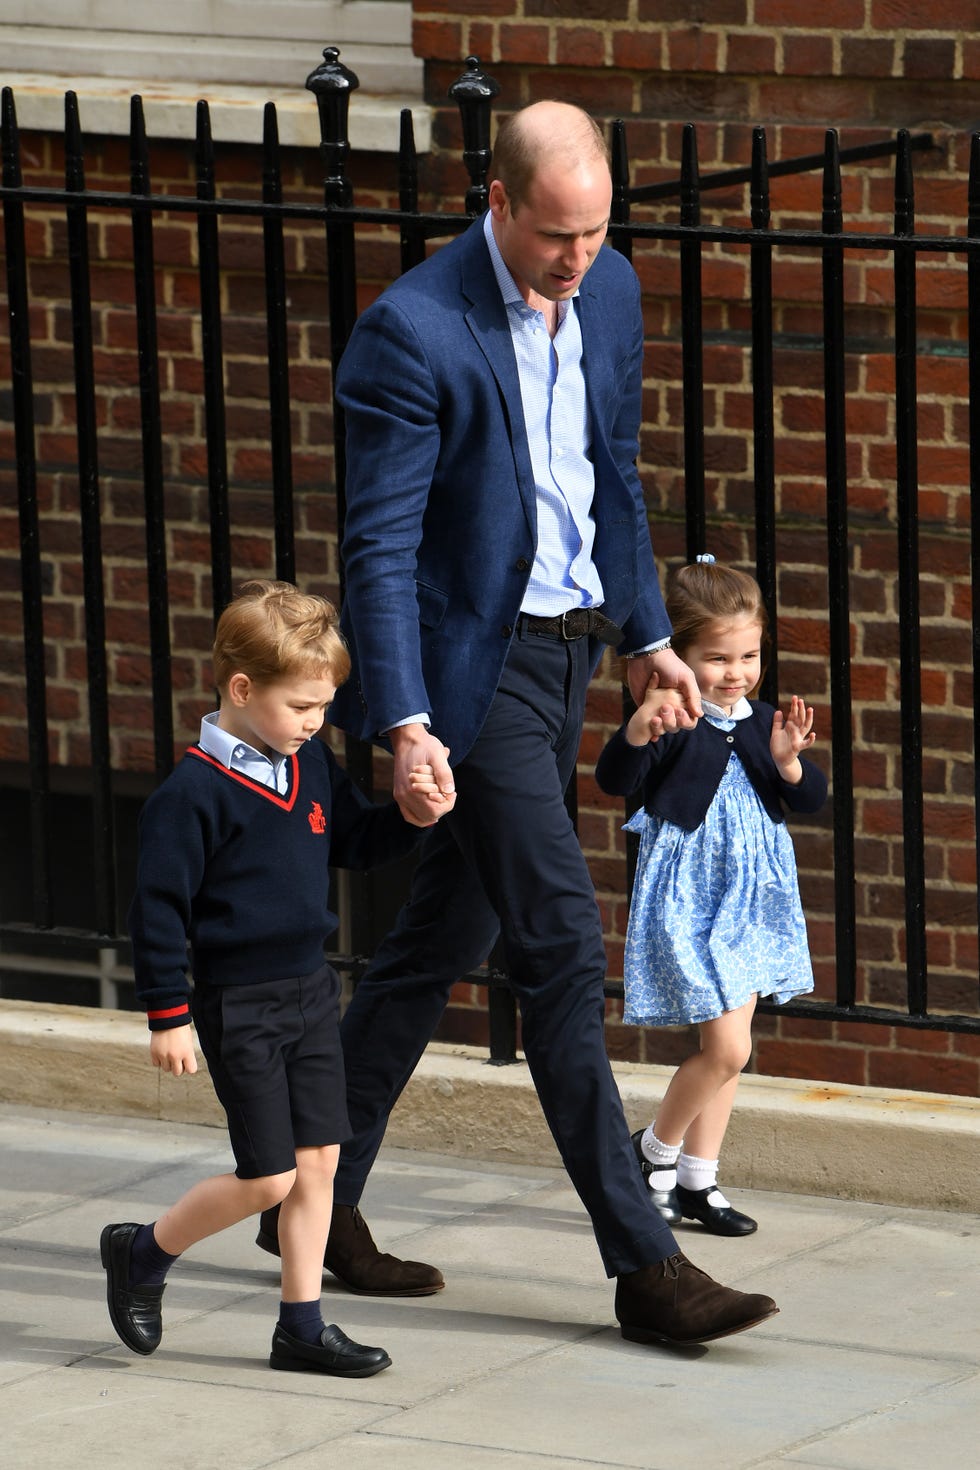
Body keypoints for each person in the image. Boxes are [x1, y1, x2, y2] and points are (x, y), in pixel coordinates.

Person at [259, 100, 780, 1348]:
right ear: (495, 202)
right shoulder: (411, 333)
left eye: (595, 231)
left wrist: (650, 637)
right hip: (469, 682)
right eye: (556, 235)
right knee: (557, 947)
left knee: (437, 940)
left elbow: (613, 475)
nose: (577, 257)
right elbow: (378, 550)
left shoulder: (610, 296)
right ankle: (644, 1262)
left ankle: (310, 1201)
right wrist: (404, 723)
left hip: (567, 659)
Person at [101, 580, 444, 1375]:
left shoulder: (309, 765)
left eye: (325, 706)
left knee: (320, 1164)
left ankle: (301, 1324)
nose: (316, 723)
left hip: (309, 992)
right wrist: (168, 1015)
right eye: (302, 707)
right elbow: (157, 913)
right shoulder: (190, 796)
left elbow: (353, 839)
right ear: (242, 689)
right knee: (269, 1177)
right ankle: (144, 1252)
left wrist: (412, 818)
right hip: (238, 1003)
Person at [595, 555, 828, 1236]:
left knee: (736, 1044)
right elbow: (616, 777)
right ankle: (653, 1152)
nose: (736, 672)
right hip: (692, 896)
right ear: (681, 655)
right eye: (717, 657)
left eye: (749, 655)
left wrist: (789, 761)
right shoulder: (674, 715)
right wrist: (639, 729)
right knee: (726, 1049)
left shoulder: (760, 721)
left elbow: (809, 799)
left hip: (754, 899)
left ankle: (699, 1180)